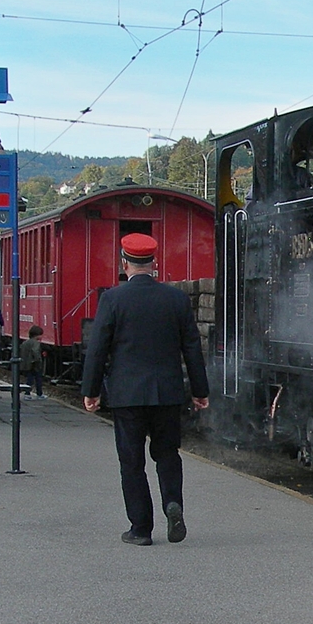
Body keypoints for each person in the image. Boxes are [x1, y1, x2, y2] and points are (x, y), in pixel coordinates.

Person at [81, 233, 210, 546]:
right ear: (155, 263)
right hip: (167, 393)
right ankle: (172, 503)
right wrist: (199, 390)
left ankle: (140, 529)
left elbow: (97, 348)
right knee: (167, 454)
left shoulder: (112, 299)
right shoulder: (176, 300)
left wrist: (91, 390)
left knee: (132, 462)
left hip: (127, 395)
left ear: (124, 264)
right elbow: (192, 348)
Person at [19, 325, 47, 400]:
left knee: (29, 379)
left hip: (27, 364)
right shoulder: (36, 343)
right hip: (34, 364)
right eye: (41, 335)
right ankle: (39, 394)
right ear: (37, 335)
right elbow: (35, 352)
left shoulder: (25, 343)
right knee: (38, 379)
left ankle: (27, 393)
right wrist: (39, 360)